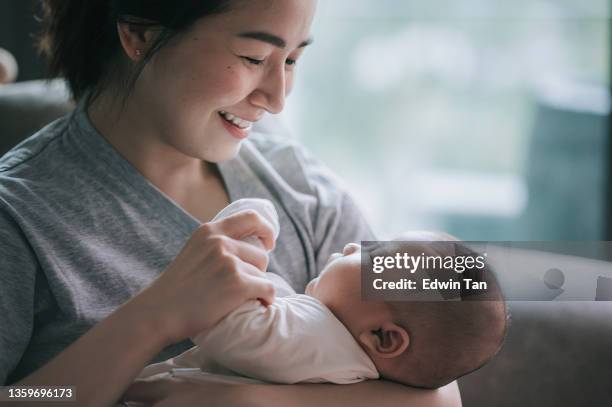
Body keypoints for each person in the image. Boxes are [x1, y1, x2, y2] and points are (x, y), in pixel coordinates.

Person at [0, 0, 461, 406]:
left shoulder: (301, 190)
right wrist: (153, 317)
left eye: (294, 59)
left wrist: (253, 400)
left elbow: (438, 390)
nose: (277, 98)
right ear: (139, 33)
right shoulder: (19, 215)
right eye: (253, 56)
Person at [138, 207, 506, 389]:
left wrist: (241, 234)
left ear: (384, 337)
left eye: (373, 254)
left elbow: (226, 325)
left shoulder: (317, 341)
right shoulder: (340, 359)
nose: (350, 245)